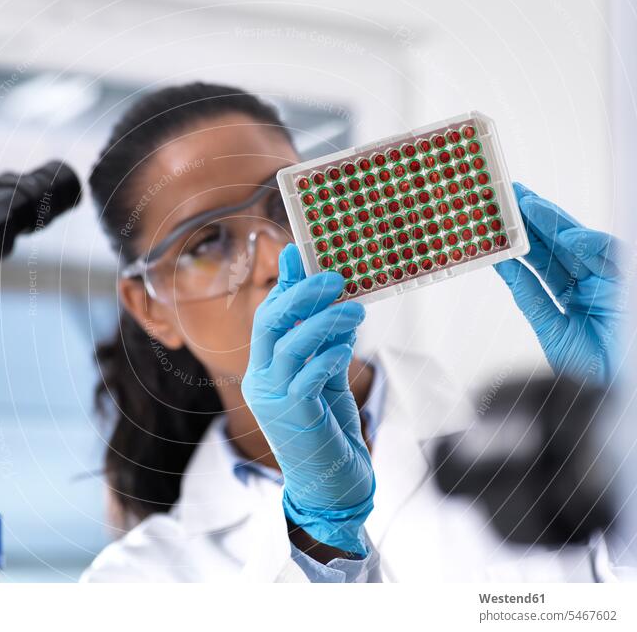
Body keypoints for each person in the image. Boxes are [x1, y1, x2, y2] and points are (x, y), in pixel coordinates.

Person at [79, 82, 623, 582]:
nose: (274, 258)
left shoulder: (525, 440)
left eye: (283, 206)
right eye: (205, 243)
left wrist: (625, 440)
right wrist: (321, 544)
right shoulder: (139, 581)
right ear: (151, 308)